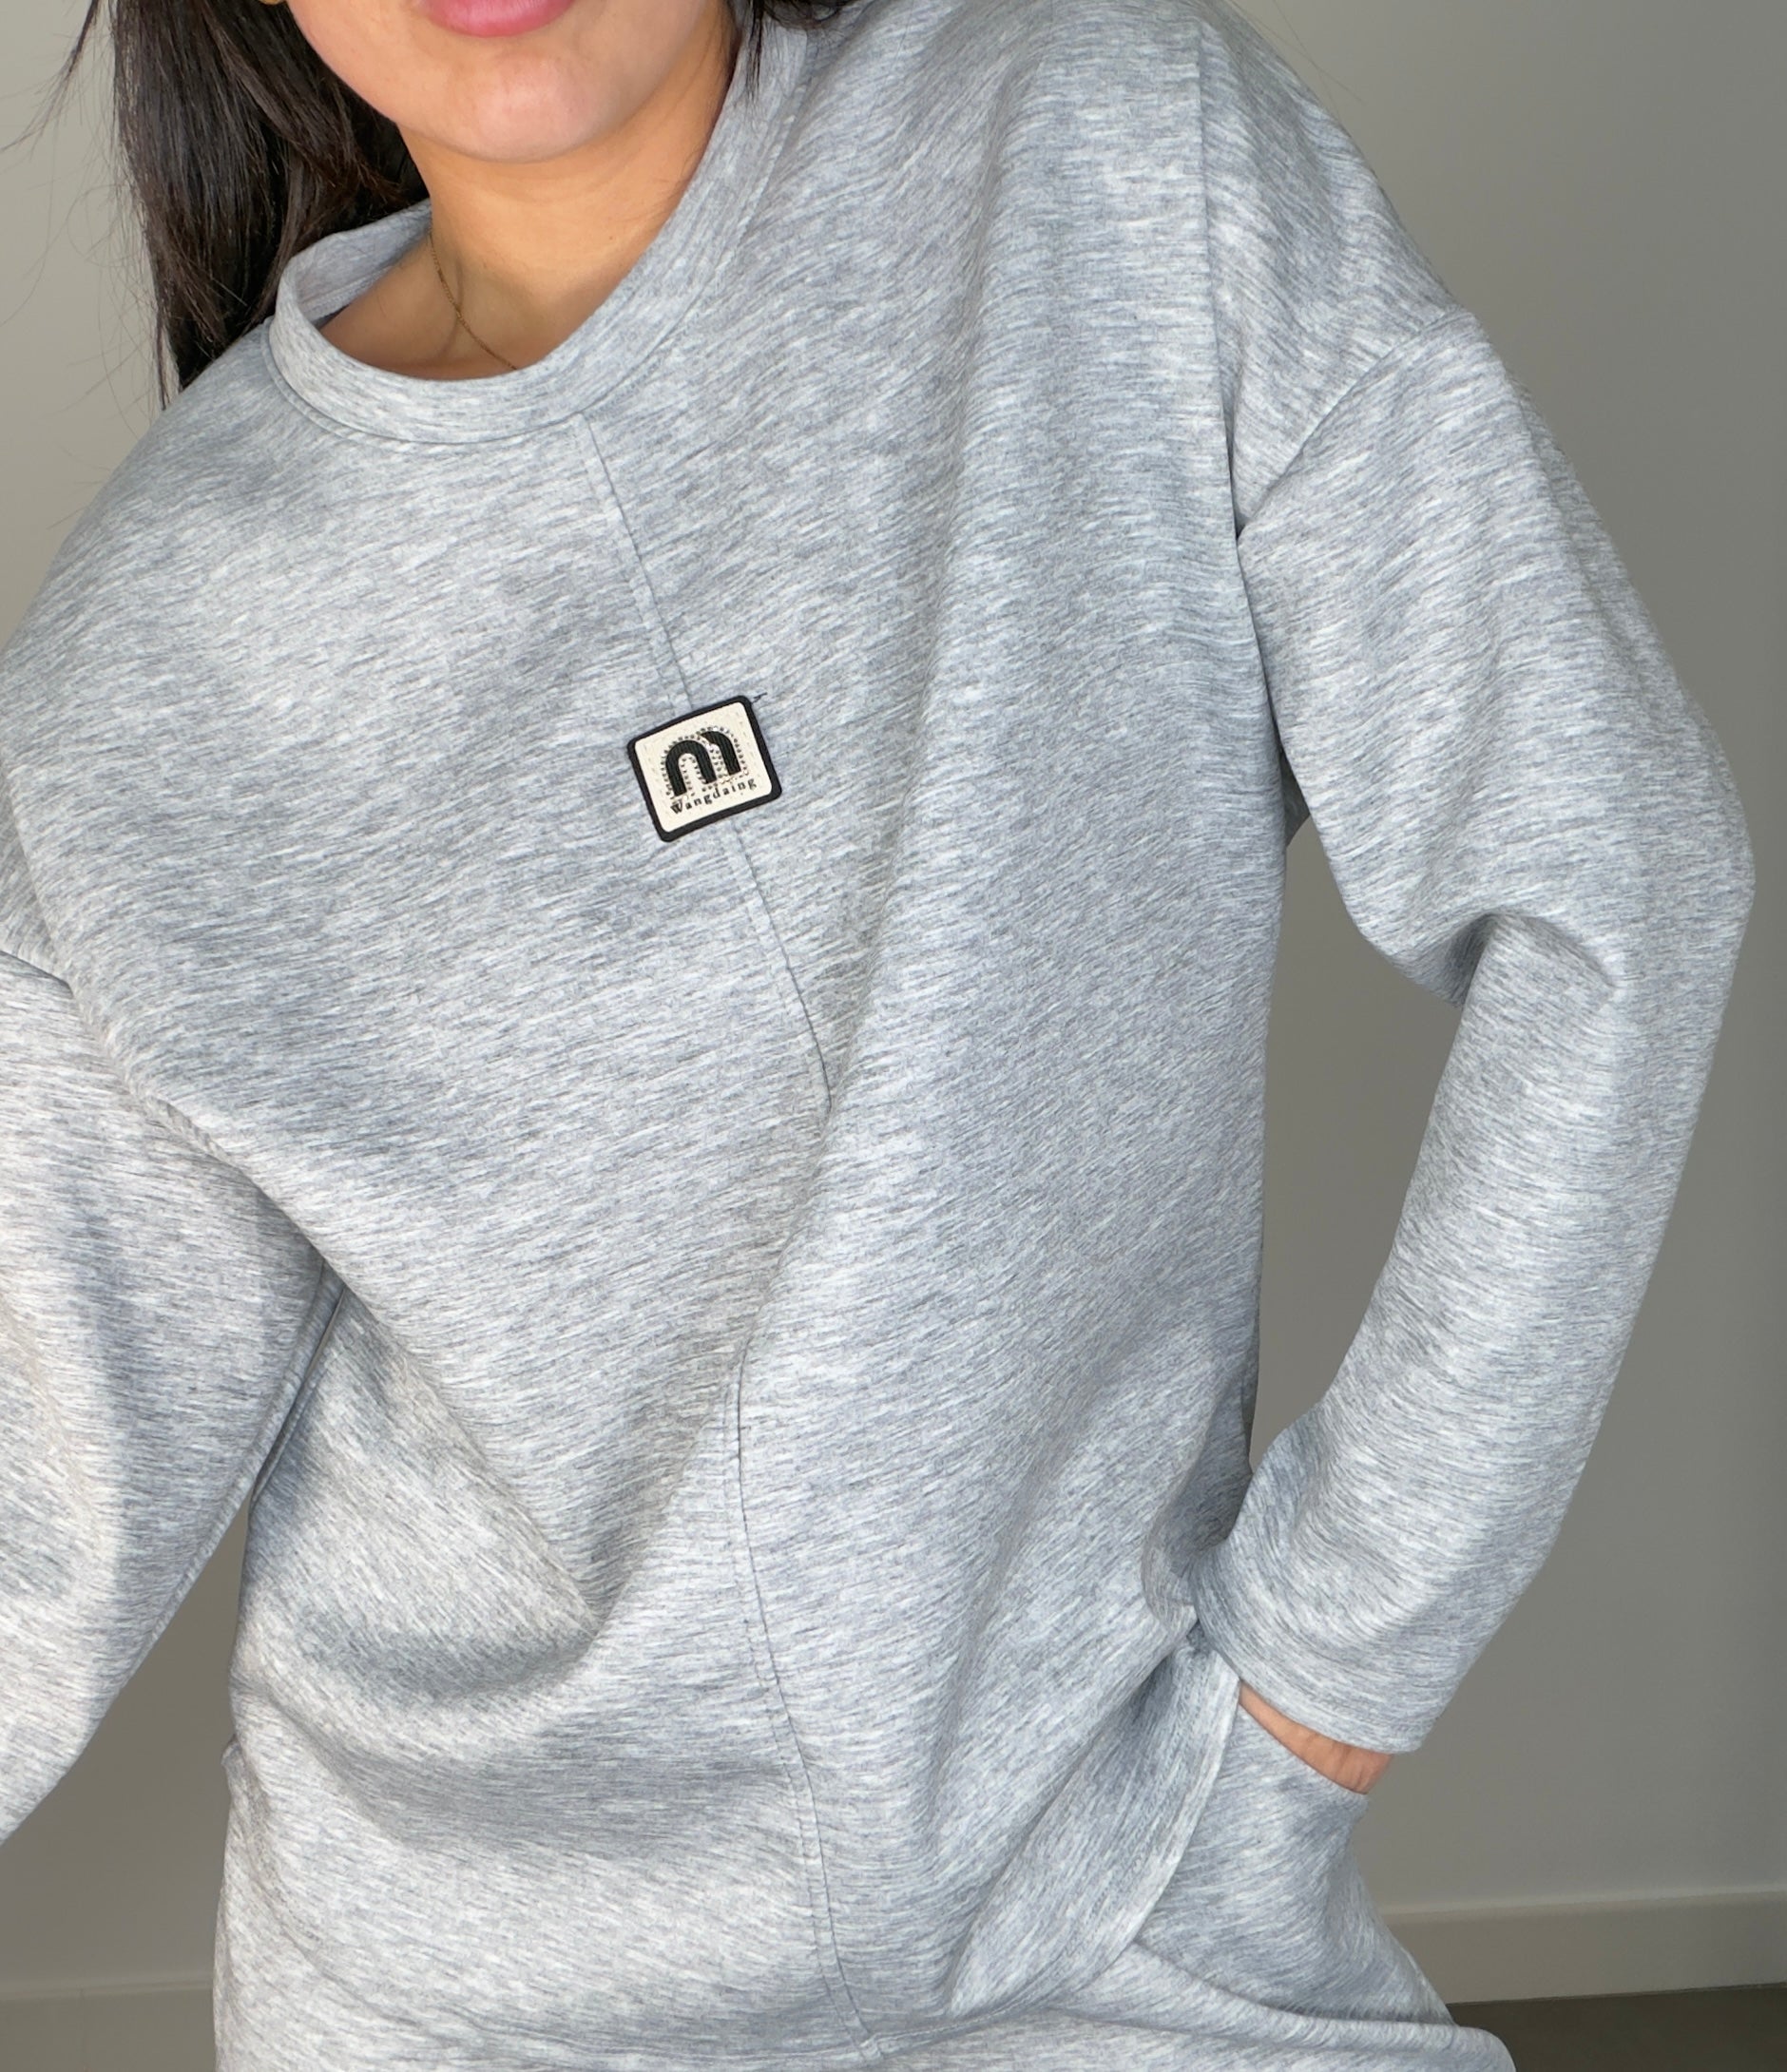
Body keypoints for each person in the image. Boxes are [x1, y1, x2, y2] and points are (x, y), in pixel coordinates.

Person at [0, 0, 1754, 2067]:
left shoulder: (1107, 156)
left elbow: (1610, 877)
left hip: (1139, 1923)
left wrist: (1324, 1681)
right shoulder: (147, 655)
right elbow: (40, 1494)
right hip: (449, 1998)